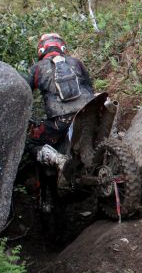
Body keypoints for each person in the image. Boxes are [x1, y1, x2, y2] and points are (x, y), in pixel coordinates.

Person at [24, 33, 95, 171]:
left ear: (41, 49)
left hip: (61, 120)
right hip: (89, 109)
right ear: (62, 46)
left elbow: (26, 95)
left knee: (32, 143)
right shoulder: (76, 62)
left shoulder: (37, 68)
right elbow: (90, 87)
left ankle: (58, 160)